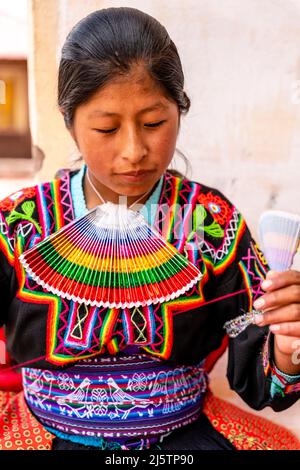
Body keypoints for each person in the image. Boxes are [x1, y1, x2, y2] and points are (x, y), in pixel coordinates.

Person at [0, 7, 299, 451]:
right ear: (69, 121)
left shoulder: (209, 222)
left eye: (154, 123)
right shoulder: (19, 222)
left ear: (180, 109)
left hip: (184, 439)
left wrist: (287, 346)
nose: (134, 151)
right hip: (45, 435)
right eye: (106, 127)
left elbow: (262, 378)